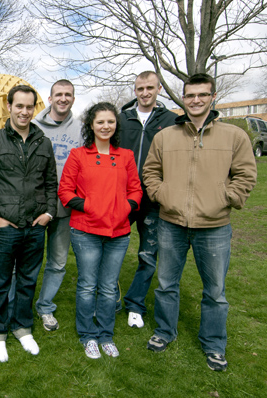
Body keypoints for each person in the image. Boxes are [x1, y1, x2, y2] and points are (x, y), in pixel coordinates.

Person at [142, 73, 257, 371]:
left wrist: (225, 197)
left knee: (215, 291)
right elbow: (150, 172)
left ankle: (214, 344)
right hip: (171, 222)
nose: (196, 100)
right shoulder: (166, 136)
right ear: (183, 98)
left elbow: (246, 174)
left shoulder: (234, 136)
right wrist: (161, 194)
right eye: (190, 95)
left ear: (212, 97)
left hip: (215, 226)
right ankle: (165, 331)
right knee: (167, 284)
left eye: (202, 95)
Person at [0, 85, 58, 362]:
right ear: (8, 106)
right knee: (0, 282)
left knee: (27, 280)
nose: (24, 111)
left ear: (35, 108)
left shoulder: (43, 142)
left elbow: (50, 183)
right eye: (19, 106)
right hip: (5, 229)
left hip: (35, 228)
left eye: (29, 106)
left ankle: (22, 327)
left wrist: (48, 213)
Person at [58, 102, 142, 359]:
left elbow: (136, 189)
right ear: (91, 125)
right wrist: (90, 207)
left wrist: (124, 208)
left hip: (118, 232)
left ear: (116, 125)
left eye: (110, 122)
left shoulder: (125, 156)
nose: (106, 126)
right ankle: (87, 335)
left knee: (107, 287)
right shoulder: (78, 155)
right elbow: (65, 191)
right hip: (86, 231)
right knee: (87, 285)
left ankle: (106, 334)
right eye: (100, 122)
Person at [118, 71, 177, 328]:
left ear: (159, 89)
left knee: (148, 254)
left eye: (150, 88)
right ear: (135, 90)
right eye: (140, 88)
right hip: (122, 196)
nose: (145, 93)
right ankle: (110, 295)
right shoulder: (121, 119)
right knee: (111, 250)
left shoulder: (172, 121)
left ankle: (135, 304)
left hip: (153, 199)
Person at [31, 79, 83, 331]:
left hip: (67, 208)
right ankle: (18, 305)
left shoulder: (83, 130)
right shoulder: (32, 127)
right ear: (50, 98)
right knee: (27, 260)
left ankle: (45, 307)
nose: (63, 98)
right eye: (58, 94)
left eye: (68, 94)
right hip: (35, 206)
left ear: (73, 98)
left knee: (58, 261)